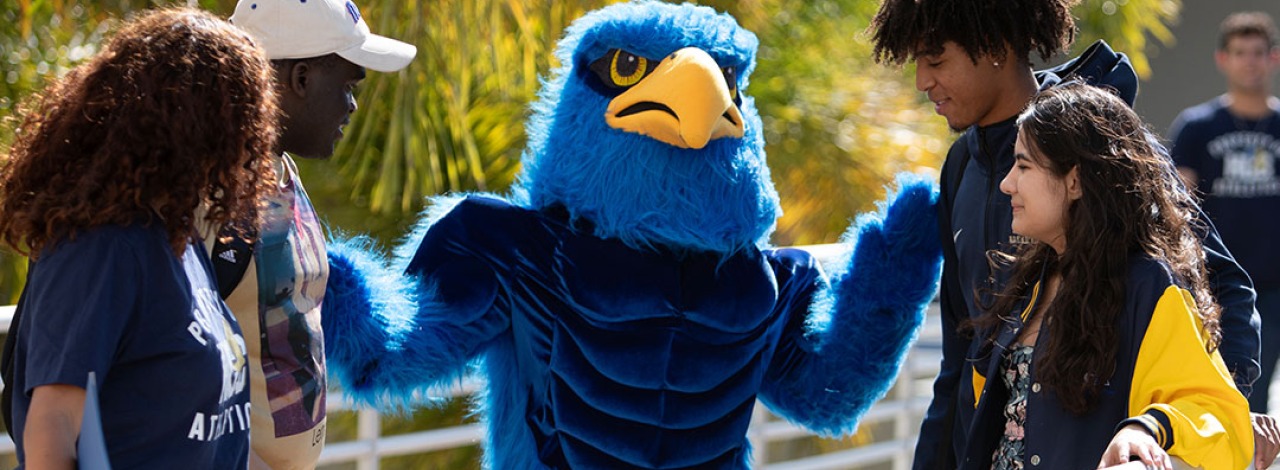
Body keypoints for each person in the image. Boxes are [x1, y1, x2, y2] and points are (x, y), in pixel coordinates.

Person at [865, 0, 1273, 468]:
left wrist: (1222, 414)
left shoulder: (1105, 149)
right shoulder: (960, 167)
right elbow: (960, 360)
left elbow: (1218, 286)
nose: (922, 81)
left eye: (936, 61)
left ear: (993, 46)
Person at [0, 7, 278, 469]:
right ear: (198, 126)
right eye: (243, 121)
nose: (252, 143)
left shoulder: (177, 234)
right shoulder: (100, 248)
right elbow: (52, 426)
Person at [961, 82, 1251, 470]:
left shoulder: (1149, 284)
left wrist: (1146, 429)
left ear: (1075, 180)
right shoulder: (1026, 283)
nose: (1007, 183)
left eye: (1024, 166)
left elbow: (1214, 409)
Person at [213, 1, 415, 468]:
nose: (352, 105)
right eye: (347, 85)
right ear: (301, 79)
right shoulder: (217, 192)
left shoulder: (279, 169)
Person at [1170, 12, 1280, 417]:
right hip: (1222, 283)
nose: (1250, 62)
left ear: (1273, 58)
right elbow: (1179, 206)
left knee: (1263, 396)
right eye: (1240, 53)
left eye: (1258, 53)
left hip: (1277, 283)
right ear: (1223, 59)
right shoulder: (1197, 127)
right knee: (1234, 391)